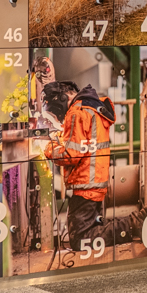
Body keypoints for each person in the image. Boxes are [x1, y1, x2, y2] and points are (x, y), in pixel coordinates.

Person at [40, 80, 115, 247]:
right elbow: (83, 143)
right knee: (93, 232)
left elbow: (70, 155)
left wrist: (48, 147)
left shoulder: (77, 112)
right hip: (95, 182)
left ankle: (132, 224)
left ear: (63, 98)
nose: (60, 116)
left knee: (80, 240)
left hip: (86, 186)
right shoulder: (92, 107)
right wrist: (60, 138)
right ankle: (132, 224)